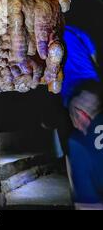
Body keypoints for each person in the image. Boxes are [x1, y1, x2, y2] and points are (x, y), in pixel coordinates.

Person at [62, 26, 103, 210]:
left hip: (74, 91)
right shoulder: (80, 33)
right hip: (86, 87)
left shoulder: (51, 34)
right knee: (80, 139)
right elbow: (95, 60)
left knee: (78, 144)